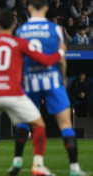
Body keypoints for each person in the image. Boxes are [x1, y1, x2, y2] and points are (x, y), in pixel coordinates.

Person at [0, 9, 66, 176]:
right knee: (39, 125)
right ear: (14, 25)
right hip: (12, 92)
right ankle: (38, 166)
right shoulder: (19, 43)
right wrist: (61, 51)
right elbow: (45, 60)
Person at [10, 1, 89, 175]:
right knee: (65, 124)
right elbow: (61, 58)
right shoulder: (55, 29)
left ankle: (17, 161)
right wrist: (63, 79)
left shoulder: (21, 31)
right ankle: (74, 168)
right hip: (52, 80)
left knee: (25, 122)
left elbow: (18, 60)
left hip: (30, 81)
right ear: (46, 9)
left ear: (29, 9)